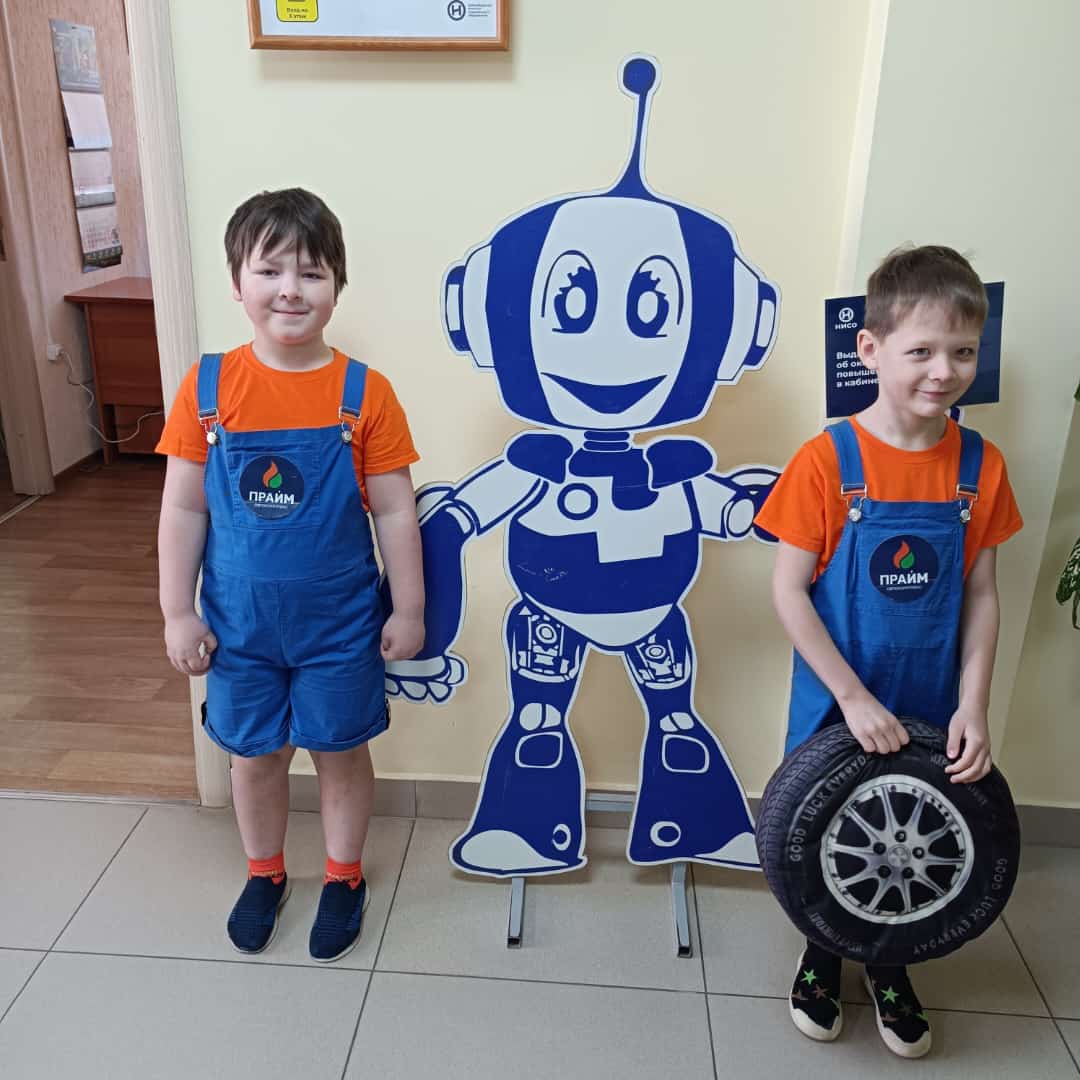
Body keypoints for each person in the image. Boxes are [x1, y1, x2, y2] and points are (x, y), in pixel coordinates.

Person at [755, 245, 1023, 1058]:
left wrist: (973, 704)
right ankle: (821, 952)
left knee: (909, 832)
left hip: (932, 702)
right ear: (870, 349)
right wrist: (852, 698)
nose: (945, 371)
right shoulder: (826, 462)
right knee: (827, 830)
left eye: (963, 351)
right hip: (838, 703)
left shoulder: (980, 466)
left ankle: (891, 962)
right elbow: (788, 592)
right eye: (922, 350)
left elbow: (981, 594)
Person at [156, 188, 424, 962]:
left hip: (340, 625)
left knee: (340, 752)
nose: (290, 290)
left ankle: (343, 877)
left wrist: (408, 608)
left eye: (312, 272)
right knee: (255, 757)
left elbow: (395, 512)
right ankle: (265, 873)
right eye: (269, 270)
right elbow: (183, 510)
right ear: (236, 284)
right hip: (236, 628)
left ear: (338, 285)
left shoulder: (365, 393)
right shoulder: (207, 389)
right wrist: (177, 612)